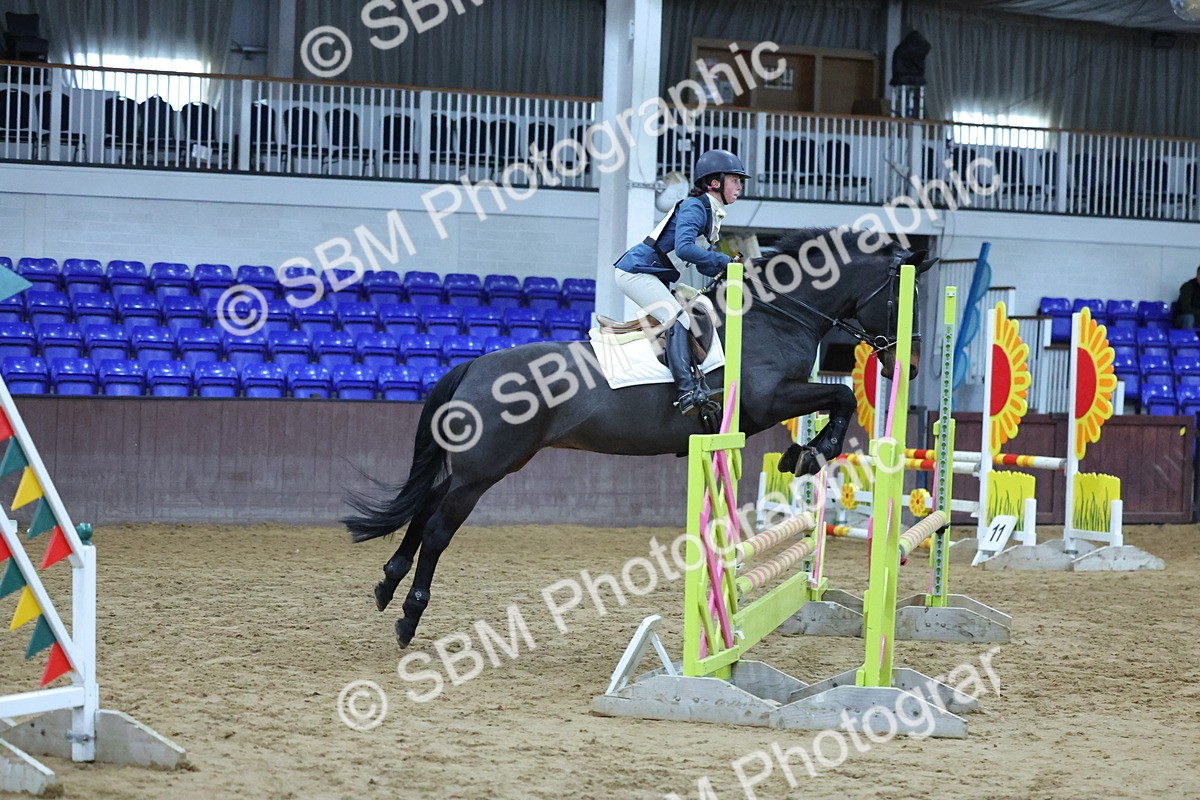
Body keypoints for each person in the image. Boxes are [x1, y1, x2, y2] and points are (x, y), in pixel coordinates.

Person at [613, 148, 750, 419]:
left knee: (696, 313)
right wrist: (724, 261)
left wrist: (722, 270)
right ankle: (686, 391)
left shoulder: (709, 212)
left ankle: (691, 378)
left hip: (655, 274)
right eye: (735, 179)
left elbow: (698, 260)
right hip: (636, 272)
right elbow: (685, 249)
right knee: (678, 320)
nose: (739, 186)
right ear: (714, 183)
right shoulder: (694, 206)